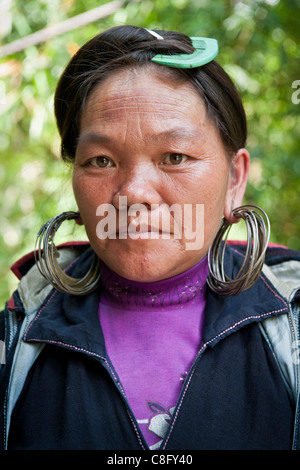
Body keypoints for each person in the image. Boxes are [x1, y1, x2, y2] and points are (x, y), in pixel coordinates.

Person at [0, 25, 299, 451]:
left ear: (235, 179)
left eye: (175, 157)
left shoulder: (292, 328)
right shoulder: (17, 337)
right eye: (101, 160)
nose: (133, 193)